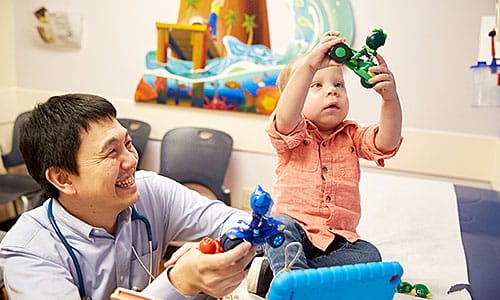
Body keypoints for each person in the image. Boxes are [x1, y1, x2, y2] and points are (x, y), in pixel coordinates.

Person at [0, 94, 256, 300]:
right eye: (111, 152)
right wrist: (177, 283)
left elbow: (237, 222)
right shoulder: (28, 252)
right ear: (63, 179)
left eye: (129, 143)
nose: (132, 160)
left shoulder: (152, 192)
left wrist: (217, 247)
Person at [261, 31, 403, 279]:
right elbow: (285, 116)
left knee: (369, 255)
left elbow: (386, 142)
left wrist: (389, 98)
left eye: (339, 85)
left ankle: (293, 277)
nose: (332, 91)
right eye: (316, 85)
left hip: (338, 240)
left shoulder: (352, 135)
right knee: (277, 227)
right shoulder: (293, 134)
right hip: (295, 232)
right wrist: (309, 65)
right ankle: (292, 273)